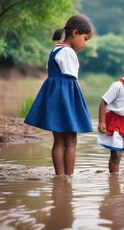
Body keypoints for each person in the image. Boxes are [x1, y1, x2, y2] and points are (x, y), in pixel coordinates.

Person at [24, 14, 94, 176]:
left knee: (59, 140)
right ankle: (68, 178)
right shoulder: (68, 52)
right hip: (65, 97)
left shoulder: (56, 49)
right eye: (85, 39)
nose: (85, 44)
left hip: (54, 96)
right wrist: (73, 107)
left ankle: (60, 177)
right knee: (71, 141)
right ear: (75, 33)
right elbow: (70, 80)